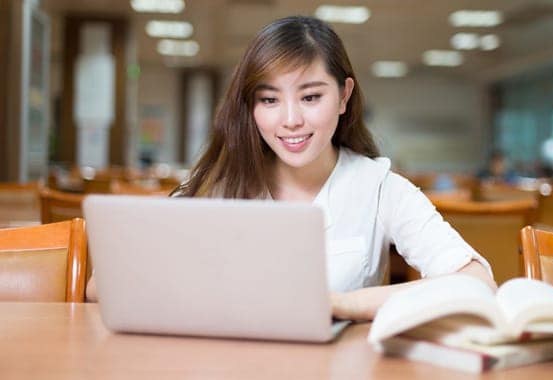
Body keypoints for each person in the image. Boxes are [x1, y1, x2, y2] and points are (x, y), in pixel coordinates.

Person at [87, 16, 495, 319]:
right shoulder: (218, 185)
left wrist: (338, 304)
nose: (290, 120)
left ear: (344, 96)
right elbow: (100, 288)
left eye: (310, 97)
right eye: (268, 100)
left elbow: (477, 283)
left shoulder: (380, 187)